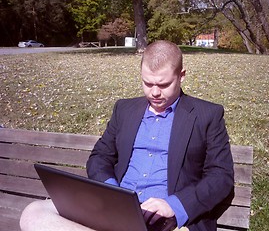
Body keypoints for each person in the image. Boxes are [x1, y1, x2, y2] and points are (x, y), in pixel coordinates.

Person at [20, 40, 234, 231]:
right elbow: (99, 157)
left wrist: (174, 206)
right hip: (113, 212)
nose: (155, 92)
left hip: (166, 222)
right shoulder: (125, 109)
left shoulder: (207, 115)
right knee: (34, 213)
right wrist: (112, 194)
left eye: (164, 84)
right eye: (148, 83)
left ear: (181, 76)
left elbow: (221, 176)